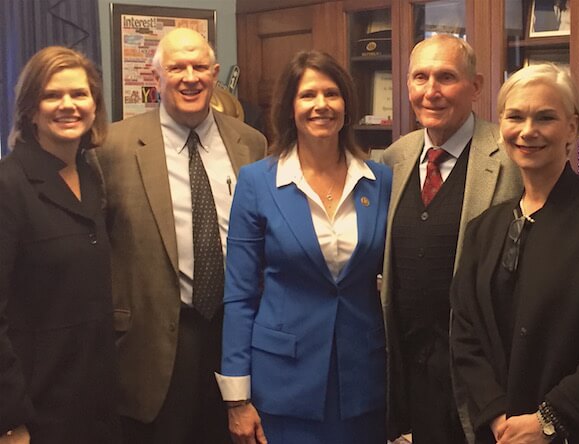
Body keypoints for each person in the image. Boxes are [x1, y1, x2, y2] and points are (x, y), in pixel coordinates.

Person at [450, 63, 579, 444]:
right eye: (515, 116)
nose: (528, 130)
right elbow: (466, 333)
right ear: (501, 125)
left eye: (545, 117)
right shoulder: (484, 229)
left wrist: (549, 419)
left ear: (572, 127)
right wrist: (497, 414)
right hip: (502, 433)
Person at [96, 28, 266, 443]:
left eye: (199, 67)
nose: (189, 77)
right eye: (176, 67)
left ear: (214, 73)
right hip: (151, 346)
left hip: (236, 335)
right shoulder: (111, 147)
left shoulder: (251, 144)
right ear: (157, 79)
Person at [216, 50, 392, 444]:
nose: (321, 105)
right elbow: (240, 295)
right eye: (308, 95)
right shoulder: (258, 182)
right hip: (282, 385)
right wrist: (236, 398)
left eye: (331, 94)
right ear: (290, 107)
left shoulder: (380, 181)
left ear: (346, 105)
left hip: (362, 382)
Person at [381, 34, 522, 443]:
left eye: (446, 77)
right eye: (420, 78)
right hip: (410, 369)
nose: (431, 91)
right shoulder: (395, 158)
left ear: (476, 87)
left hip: (484, 373)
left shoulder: (510, 156)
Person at [0, 46, 119, 443]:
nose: (68, 105)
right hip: (36, 413)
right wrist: (10, 419)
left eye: (79, 94)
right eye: (52, 95)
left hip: (97, 402)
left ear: (94, 105)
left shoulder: (92, 176)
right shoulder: (8, 185)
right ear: (30, 109)